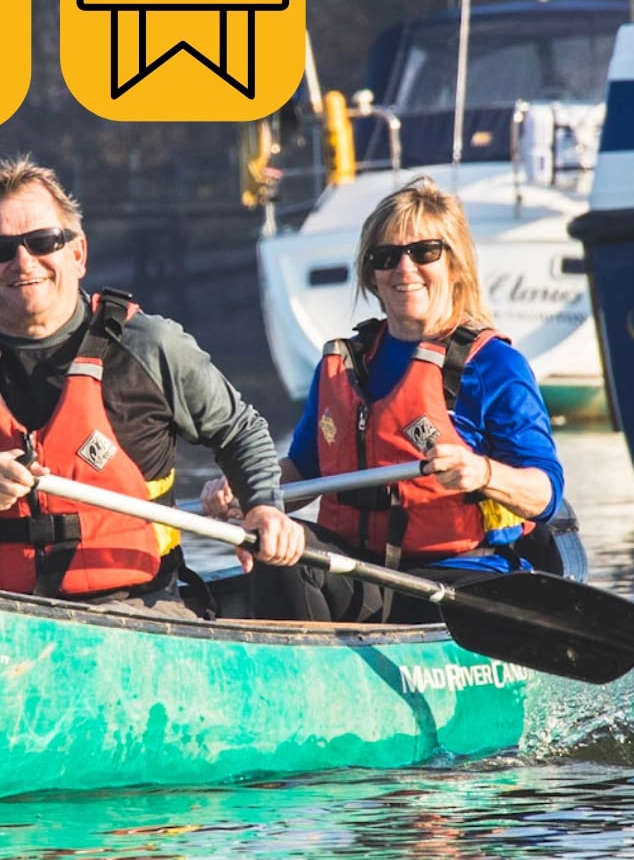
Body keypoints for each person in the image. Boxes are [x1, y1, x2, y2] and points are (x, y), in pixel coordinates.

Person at [0, 155, 300, 603]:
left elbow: (240, 431)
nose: (23, 262)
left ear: (77, 253)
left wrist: (263, 506)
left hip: (139, 607)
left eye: (43, 241)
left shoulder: (149, 344)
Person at [203, 176, 564, 622]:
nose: (404, 269)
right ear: (371, 274)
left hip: (460, 580)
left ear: (455, 265)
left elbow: (547, 492)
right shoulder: (343, 365)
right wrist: (249, 492)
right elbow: (301, 471)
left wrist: (483, 472)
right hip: (362, 571)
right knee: (274, 538)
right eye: (386, 257)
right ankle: (306, 672)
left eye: (425, 252)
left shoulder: (494, 366)